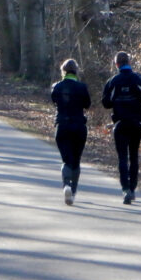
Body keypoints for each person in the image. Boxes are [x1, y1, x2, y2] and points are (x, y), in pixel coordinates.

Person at [101, 51, 141, 205]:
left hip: (120, 123)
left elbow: (105, 102)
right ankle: (132, 189)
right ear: (129, 62)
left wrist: (116, 102)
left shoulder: (113, 80)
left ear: (116, 64)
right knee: (134, 156)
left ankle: (125, 189)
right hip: (136, 123)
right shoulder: (138, 78)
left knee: (122, 158)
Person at [51, 59, 91, 206]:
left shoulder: (57, 87)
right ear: (76, 71)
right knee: (76, 160)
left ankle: (66, 185)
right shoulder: (82, 87)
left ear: (63, 71)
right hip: (79, 126)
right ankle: (73, 192)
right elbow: (87, 104)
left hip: (62, 126)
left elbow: (54, 101)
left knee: (66, 159)